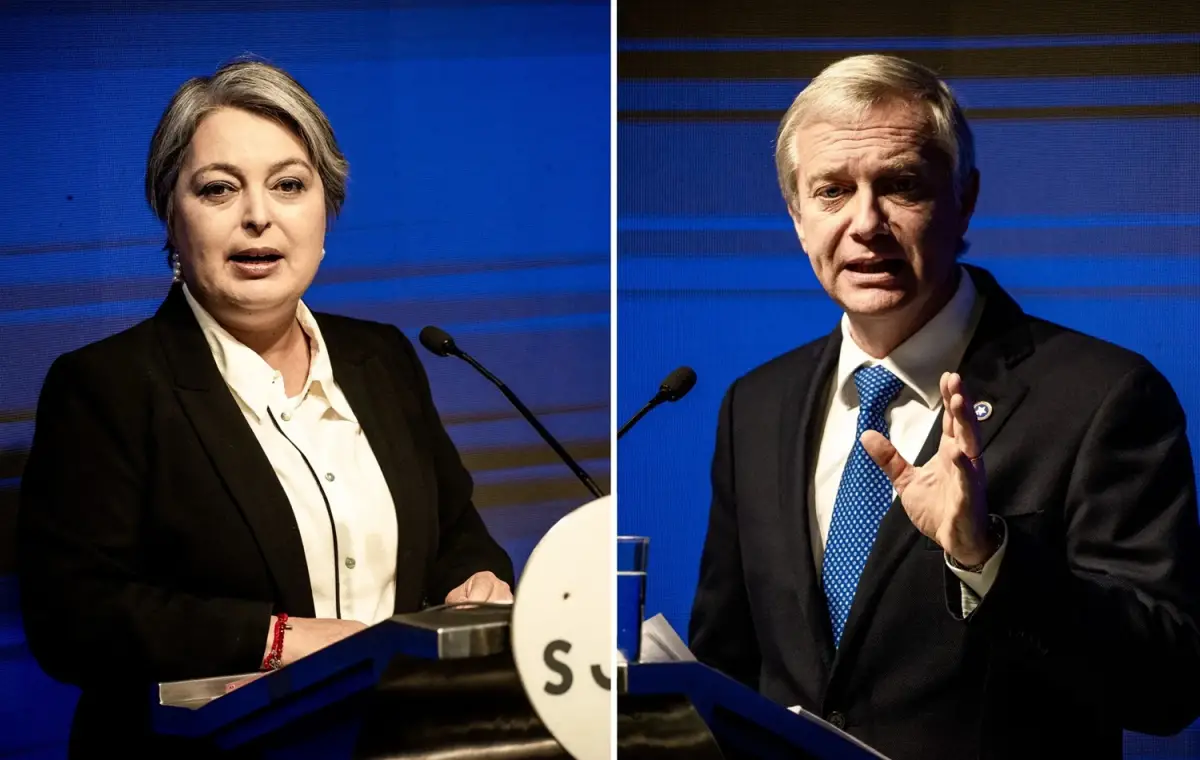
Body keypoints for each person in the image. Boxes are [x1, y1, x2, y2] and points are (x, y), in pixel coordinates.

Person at [688, 53, 1200, 760]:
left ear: (966, 200)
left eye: (900, 186)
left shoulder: (1102, 397)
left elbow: (1169, 684)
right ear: (798, 218)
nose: (866, 223)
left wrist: (985, 555)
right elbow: (726, 669)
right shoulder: (755, 405)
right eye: (832, 192)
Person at [17, 59, 514, 756]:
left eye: (289, 185)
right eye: (219, 189)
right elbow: (74, 617)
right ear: (171, 214)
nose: (258, 215)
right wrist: (279, 638)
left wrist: (476, 585)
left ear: (324, 209)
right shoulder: (108, 386)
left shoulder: (384, 359)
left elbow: (456, 530)